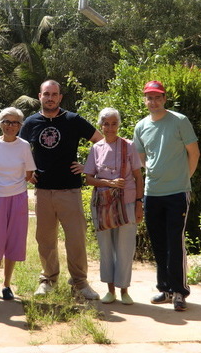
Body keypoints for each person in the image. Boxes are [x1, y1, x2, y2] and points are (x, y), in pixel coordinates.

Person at [19, 79, 102, 300]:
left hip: (70, 191)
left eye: (54, 94)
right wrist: (28, 172)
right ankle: (48, 280)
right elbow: (18, 149)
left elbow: (101, 142)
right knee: (45, 239)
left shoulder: (73, 120)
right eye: (46, 94)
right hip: (43, 191)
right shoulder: (31, 122)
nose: (50, 98)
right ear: (40, 97)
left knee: (76, 238)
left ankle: (80, 283)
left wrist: (88, 167)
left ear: (60, 97)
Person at [133, 80, 200, 311]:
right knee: (159, 242)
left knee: (175, 241)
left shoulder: (180, 121)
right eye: (149, 98)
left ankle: (180, 291)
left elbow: (194, 153)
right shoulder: (141, 126)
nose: (153, 101)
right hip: (153, 193)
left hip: (177, 193)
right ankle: (165, 289)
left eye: (157, 97)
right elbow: (141, 158)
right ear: (145, 100)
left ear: (165, 98)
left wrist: (184, 179)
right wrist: (154, 173)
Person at [84, 108, 144, 304]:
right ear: (101, 125)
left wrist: (138, 204)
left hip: (127, 203)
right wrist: (109, 183)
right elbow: (89, 179)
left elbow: (138, 177)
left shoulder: (129, 146)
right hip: (103, 205)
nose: (110, 128)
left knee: (125, 248)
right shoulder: (96, 148)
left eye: (113, 124)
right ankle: (110, 290)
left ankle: (124, 291)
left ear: (118, 125)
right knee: (106, 248)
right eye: (106, 124)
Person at [0, 107, 36, 301]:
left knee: (14, 240)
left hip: (18, 198)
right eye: (6, 122)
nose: (10, 126)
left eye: (15, 123)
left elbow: (29, 174)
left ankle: (7, 285)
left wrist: (12, 186)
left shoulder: (24, 146)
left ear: (20, 125)